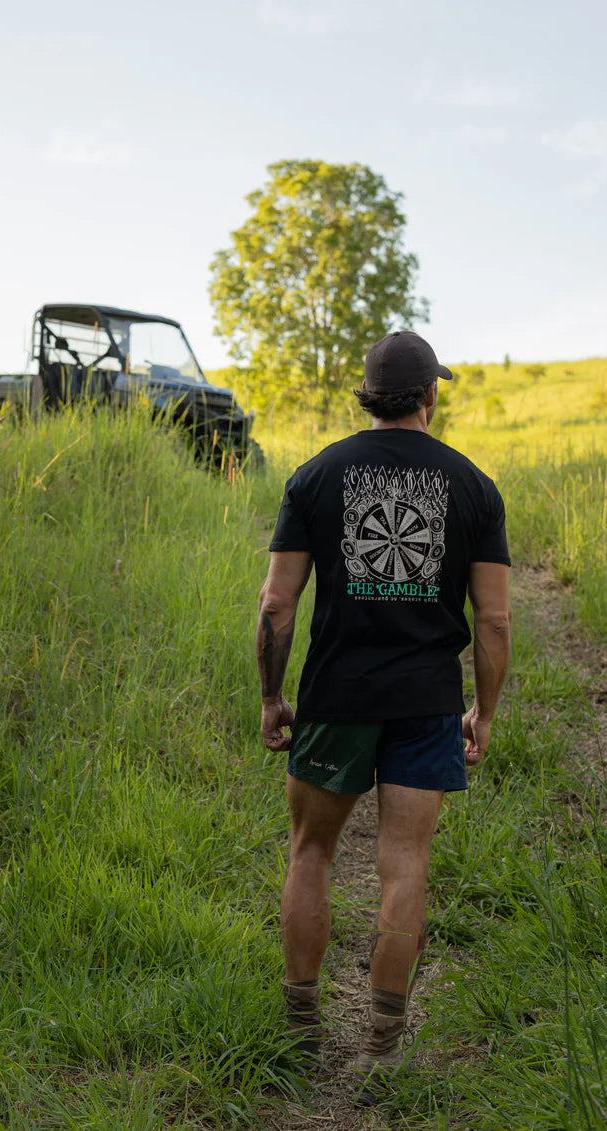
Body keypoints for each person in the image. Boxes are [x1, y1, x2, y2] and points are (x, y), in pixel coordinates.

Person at [255, 330, 512, 1085]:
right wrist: (483, 710)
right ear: (431, 395)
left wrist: (272, 695)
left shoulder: (315, 476)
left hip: (336, 697)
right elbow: (495, 620)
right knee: (405, 864)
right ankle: (381, 1049)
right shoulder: (473, 486)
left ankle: (301, 1031)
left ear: (366, 395)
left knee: (311, 852)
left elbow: (276, 604)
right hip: (427, 704)